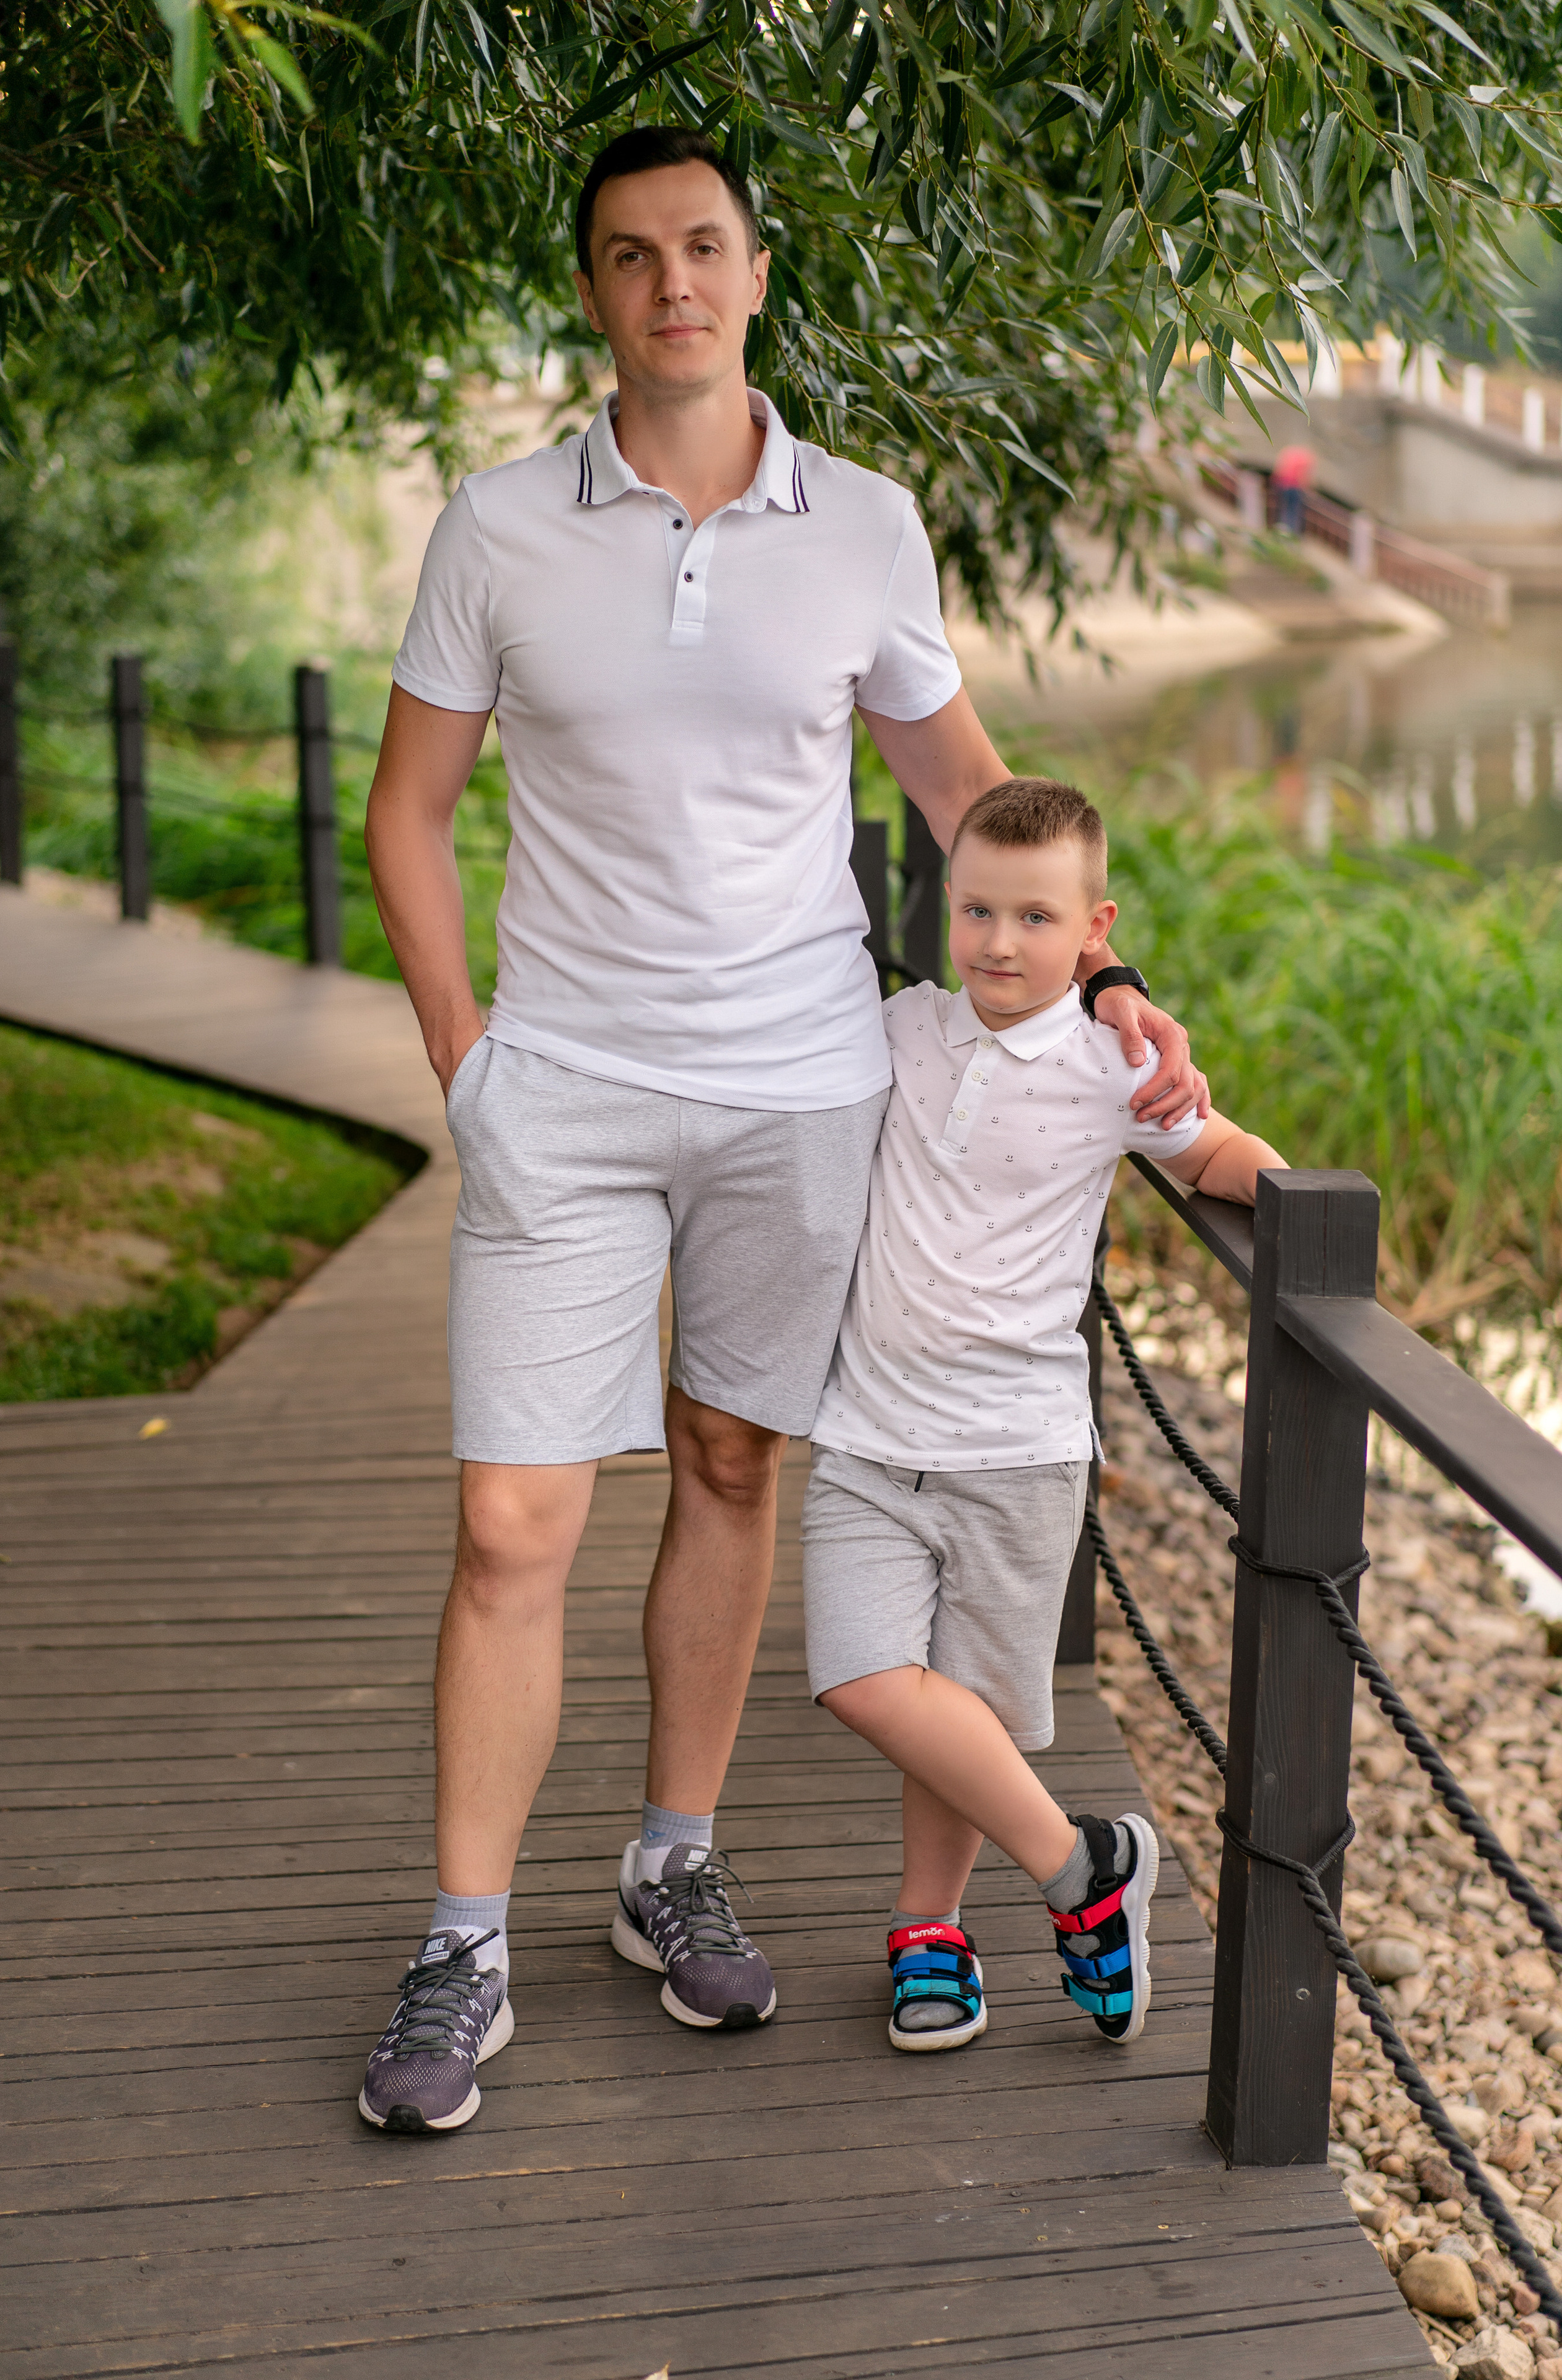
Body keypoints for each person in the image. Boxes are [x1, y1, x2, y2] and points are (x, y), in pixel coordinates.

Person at [356, 125, 1206, 2135]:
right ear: (594, 292)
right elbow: (405, 812)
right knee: (512, 1521)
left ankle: (671, 1861)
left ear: (756, 273)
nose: (676, 283)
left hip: (801, 1080)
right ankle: (461, 1941)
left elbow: (965, 795)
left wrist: (1099, 984)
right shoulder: (494, 528)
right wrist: (464, 1055)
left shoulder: (869, 526)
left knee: (732, 1460)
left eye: (707, 247)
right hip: (561, 1081)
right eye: (634, 255)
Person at [802, 776, 1284, 2053]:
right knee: (862, 1677)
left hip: (1014, 1450)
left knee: (962, 1704)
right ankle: (1084, 1873)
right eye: (975, 912)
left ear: (1093, 929)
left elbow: (1213, 1152)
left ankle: (929, 1933)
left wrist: (1294, 1201)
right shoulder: (901, 1030)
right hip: (866, 1433)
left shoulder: (1109, 1066)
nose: (997, 943)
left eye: (1031, 917)